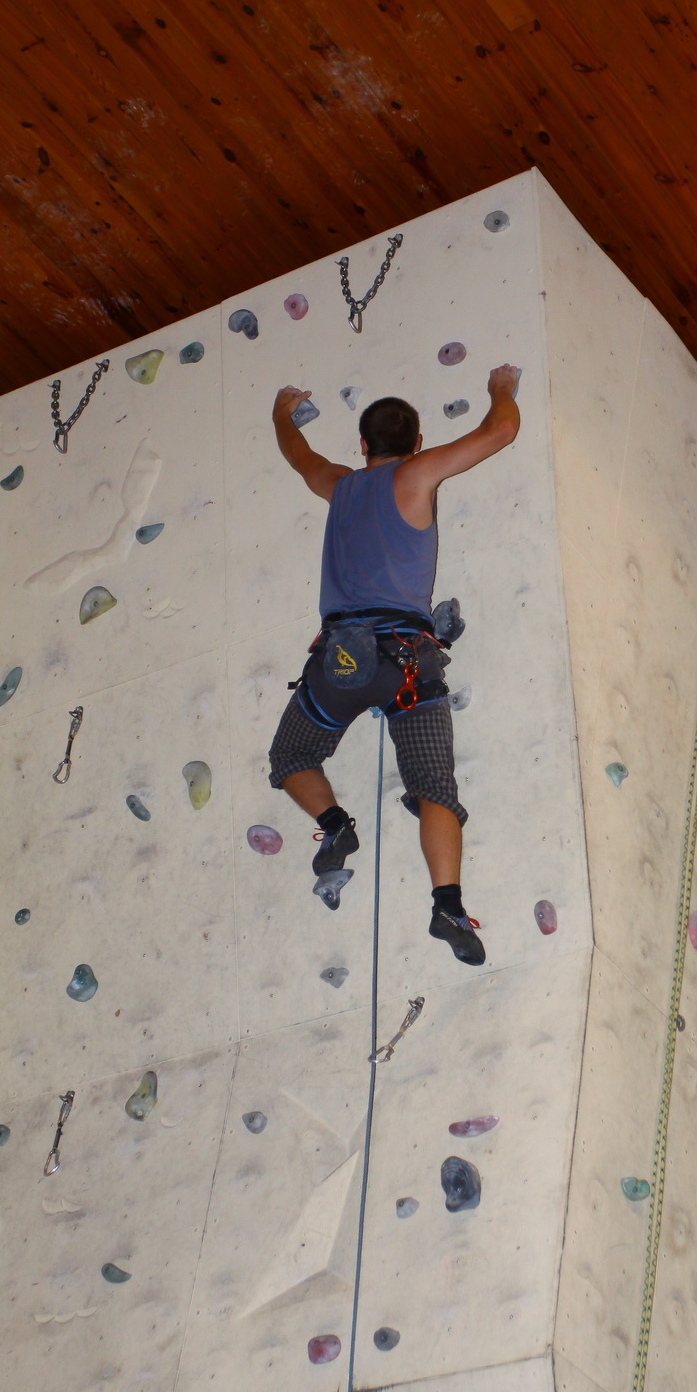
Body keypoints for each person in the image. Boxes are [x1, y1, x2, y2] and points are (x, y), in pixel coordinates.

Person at [268, 366, 520, 965]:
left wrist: (282, 411)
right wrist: (500, 385)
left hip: (342, 660)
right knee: (434, 788)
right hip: (408, 661)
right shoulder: (418, 474)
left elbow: (298, 453)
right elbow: (501, 430)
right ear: (416, 443)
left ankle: (334, 824)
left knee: (292, 757)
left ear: (361, 446)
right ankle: (448, 905)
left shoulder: (339, 483)